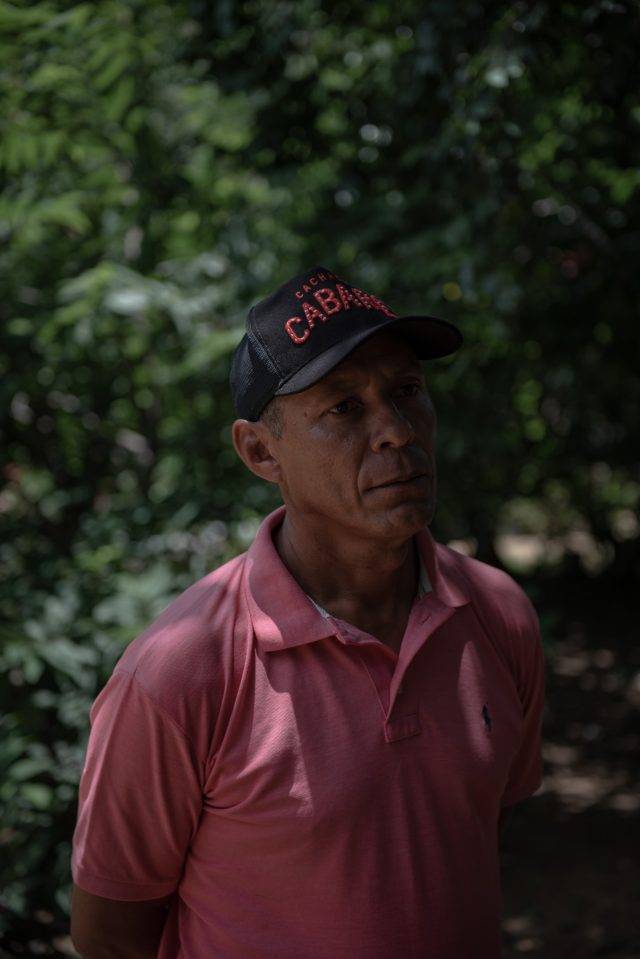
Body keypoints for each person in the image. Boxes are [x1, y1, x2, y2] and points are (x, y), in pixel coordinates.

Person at [70, 265, 545, 959]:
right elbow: (110, 935)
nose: (396, 431)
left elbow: (473, 830)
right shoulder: (182, 671)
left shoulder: (497, 615)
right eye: (345, 408)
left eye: (407, 391)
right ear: (261, 452)